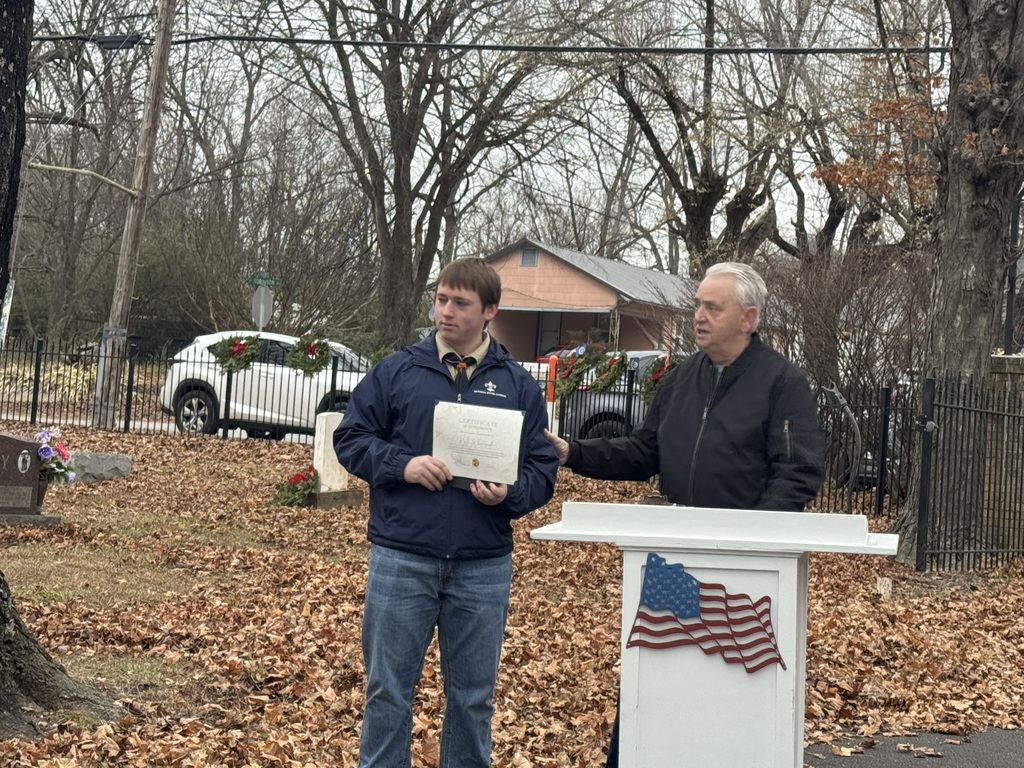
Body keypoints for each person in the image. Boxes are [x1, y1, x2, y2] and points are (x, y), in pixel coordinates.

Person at [545, 261, 825, 766]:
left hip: (744, 576)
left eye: (712, 307)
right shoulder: (679, 380)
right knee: (657, 679)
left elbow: (798, 473)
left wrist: (749, 538)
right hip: (674, 564)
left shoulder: (783, 383)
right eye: (697, 305)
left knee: (726, 690)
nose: (698, 315)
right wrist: (574, 452)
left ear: (747, 318)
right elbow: (643, 452)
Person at [334, 257, 559, 768]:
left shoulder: (517, 385)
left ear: (490, 311)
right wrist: (404, 465)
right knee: (387, 693)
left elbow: (542, 468)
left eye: (460, 303)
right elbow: (350, 437)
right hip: (402, 557)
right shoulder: (398, 371)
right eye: (441, 300)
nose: (446, 312)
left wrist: (510, 495)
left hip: (482, 564)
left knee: (473, 701)